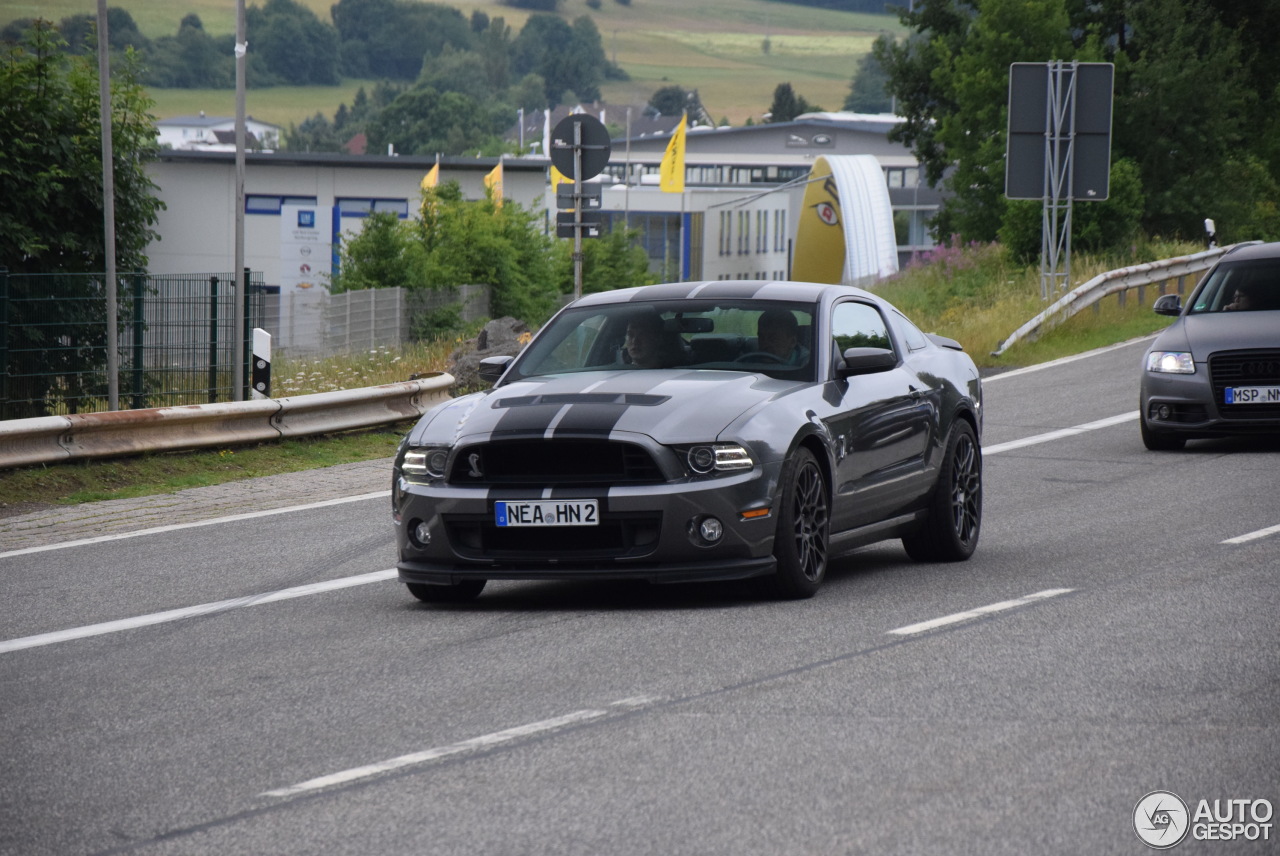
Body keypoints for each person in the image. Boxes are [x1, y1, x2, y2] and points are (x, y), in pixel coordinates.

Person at [622, 312, 688, 368]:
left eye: (642, 335)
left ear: (658, 339)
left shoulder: (674, 373)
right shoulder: (615, 371)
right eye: (630, 334)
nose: (635, 341)